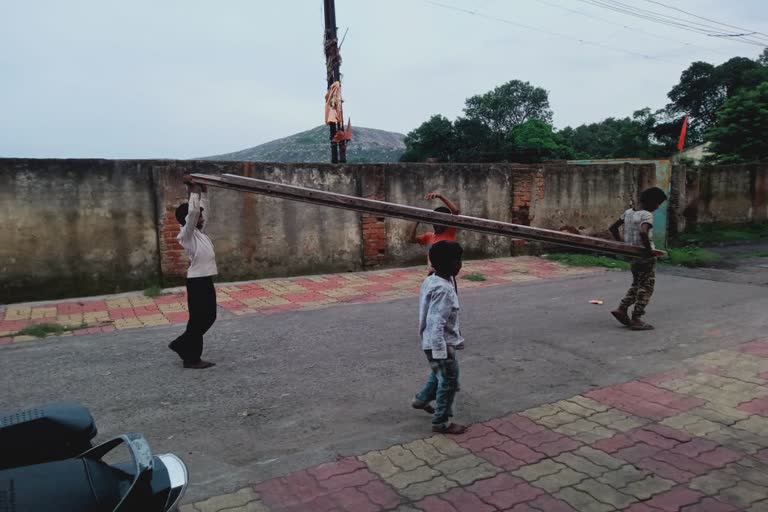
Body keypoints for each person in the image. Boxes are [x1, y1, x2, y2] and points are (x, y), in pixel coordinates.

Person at [411, 240, 468, 435]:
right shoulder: (443, 289)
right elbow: (436, 323)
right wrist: (440, 351)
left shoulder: (433, 279)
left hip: (433, 342)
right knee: (449, 380)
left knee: (440, 374)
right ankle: (441, 421)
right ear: (448, 265)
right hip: (439, 343)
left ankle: (422, 399)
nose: (460, 264)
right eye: (457, 261)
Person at [168, 181, 218, 369]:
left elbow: (202, 212)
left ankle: (183, 346)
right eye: (199, 216)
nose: (202, 217)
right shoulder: (186, 235)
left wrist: (203, 192)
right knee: (199, 319)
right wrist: (194, 193)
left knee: (208, 316)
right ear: (189, 219)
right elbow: (194, 213)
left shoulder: (199, 233)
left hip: (205, 279)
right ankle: (190, 356)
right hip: (197, 282)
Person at [609, 187, 668, 331]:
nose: (657, 207)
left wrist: (623, 244)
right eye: (657, 203)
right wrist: (648, 251)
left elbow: (613, 228)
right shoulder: (646, 215)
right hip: (644, 256)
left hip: (632, 255)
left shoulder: (628, 213)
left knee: (637, 284)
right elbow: (643, 232)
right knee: (646, 287)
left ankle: (622, 309)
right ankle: (636, 318)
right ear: (651, 201)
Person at [408, 192, 460, 272]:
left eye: (441, 223)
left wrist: (440, 196)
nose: (438, 226)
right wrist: (417, 221)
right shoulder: (428, 236)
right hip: (432, 274)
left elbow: (455, 211)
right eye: (436, 223)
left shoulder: (450, 231)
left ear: (446, 223)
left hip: (447, 274)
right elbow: (411, 239)